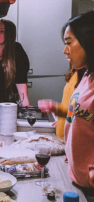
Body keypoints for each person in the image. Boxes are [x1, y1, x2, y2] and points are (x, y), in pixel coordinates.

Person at [61, 11, 94, 196]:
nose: (65, 50)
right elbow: (83, 117)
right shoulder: (86, 75)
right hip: (77, 181)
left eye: (68, 43)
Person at [38, 68, 85, 139]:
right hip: (64, 138)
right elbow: (70, 105)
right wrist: (61, 121)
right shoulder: (75, 72)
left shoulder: (88, 78)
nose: (66, 56)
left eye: (68, 55)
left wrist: (58, 110)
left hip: (75, 140)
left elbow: (86, 115)